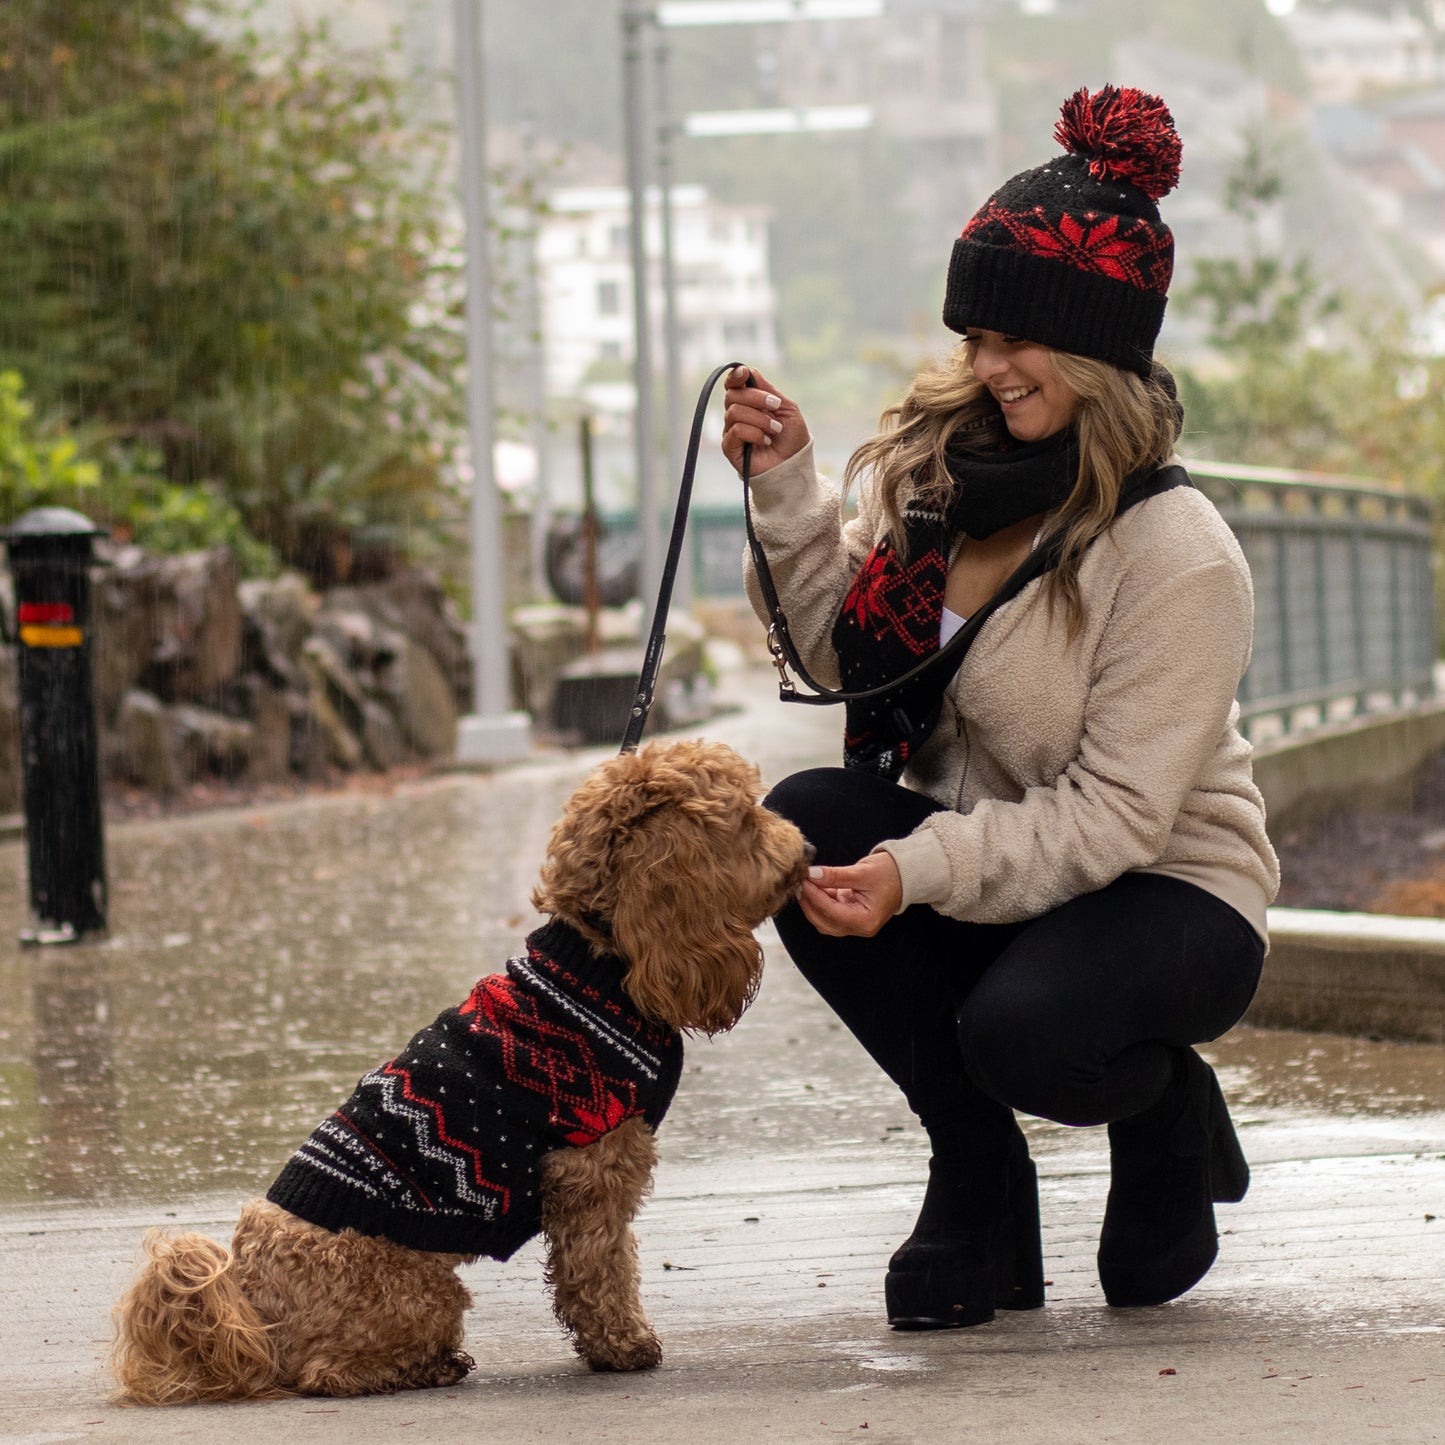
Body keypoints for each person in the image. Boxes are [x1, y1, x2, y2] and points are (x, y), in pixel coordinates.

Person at [720, 85, 1280, 1328]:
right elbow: (846, 661)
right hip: (1001, 872)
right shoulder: (942, 484)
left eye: (1011, 339)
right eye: (971, 335)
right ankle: (976, 1175)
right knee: (800, 820)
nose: (982, 366)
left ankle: (1164, 1104)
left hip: (1168, 891)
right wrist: (785, 487)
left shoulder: (1177, 555)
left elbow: (1115, 818)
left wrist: (915, 872)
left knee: (1028, 1031)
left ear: (1090, 344)